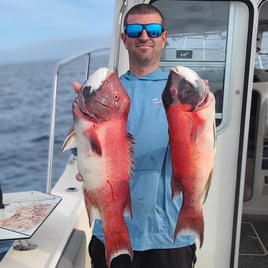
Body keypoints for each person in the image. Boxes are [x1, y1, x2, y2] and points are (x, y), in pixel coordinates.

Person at [73, 3, 196, 268]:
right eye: (134, 29)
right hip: (111, 230)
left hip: (170, 236)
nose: (144, 36)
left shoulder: (181, 91)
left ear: (164, 37)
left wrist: (202, 111)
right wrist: (82, 117)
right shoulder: (106, 92)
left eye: (152, 30)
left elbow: (200, 152)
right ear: (124, 38)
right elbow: (83, 151)